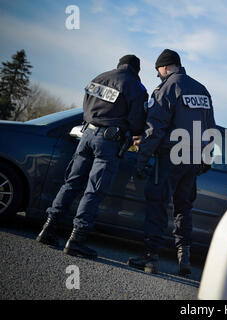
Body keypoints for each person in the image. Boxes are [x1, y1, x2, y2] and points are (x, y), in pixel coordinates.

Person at [36, 55, 148, 258]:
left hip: (86, 134)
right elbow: (137, 121)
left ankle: (47, 229)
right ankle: (76, 240)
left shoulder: (100, 77)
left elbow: (86, 105)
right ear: (136, 70)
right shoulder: (135, 87)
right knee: (94, 190)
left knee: (72, 183)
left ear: (119, 64)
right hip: (108, 141)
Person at [128, 49, 216, 276]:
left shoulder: (167, 87)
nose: (158, 75)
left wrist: (142, 158)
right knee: (183, 208)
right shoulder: (202, 90)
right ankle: (183, 259)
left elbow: (154, 128)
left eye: (158, 71)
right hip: (193, 159)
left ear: (165, 67)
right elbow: (211, 128)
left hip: (170, 157)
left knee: (158, 203)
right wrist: (206, 158)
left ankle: (150, 258)